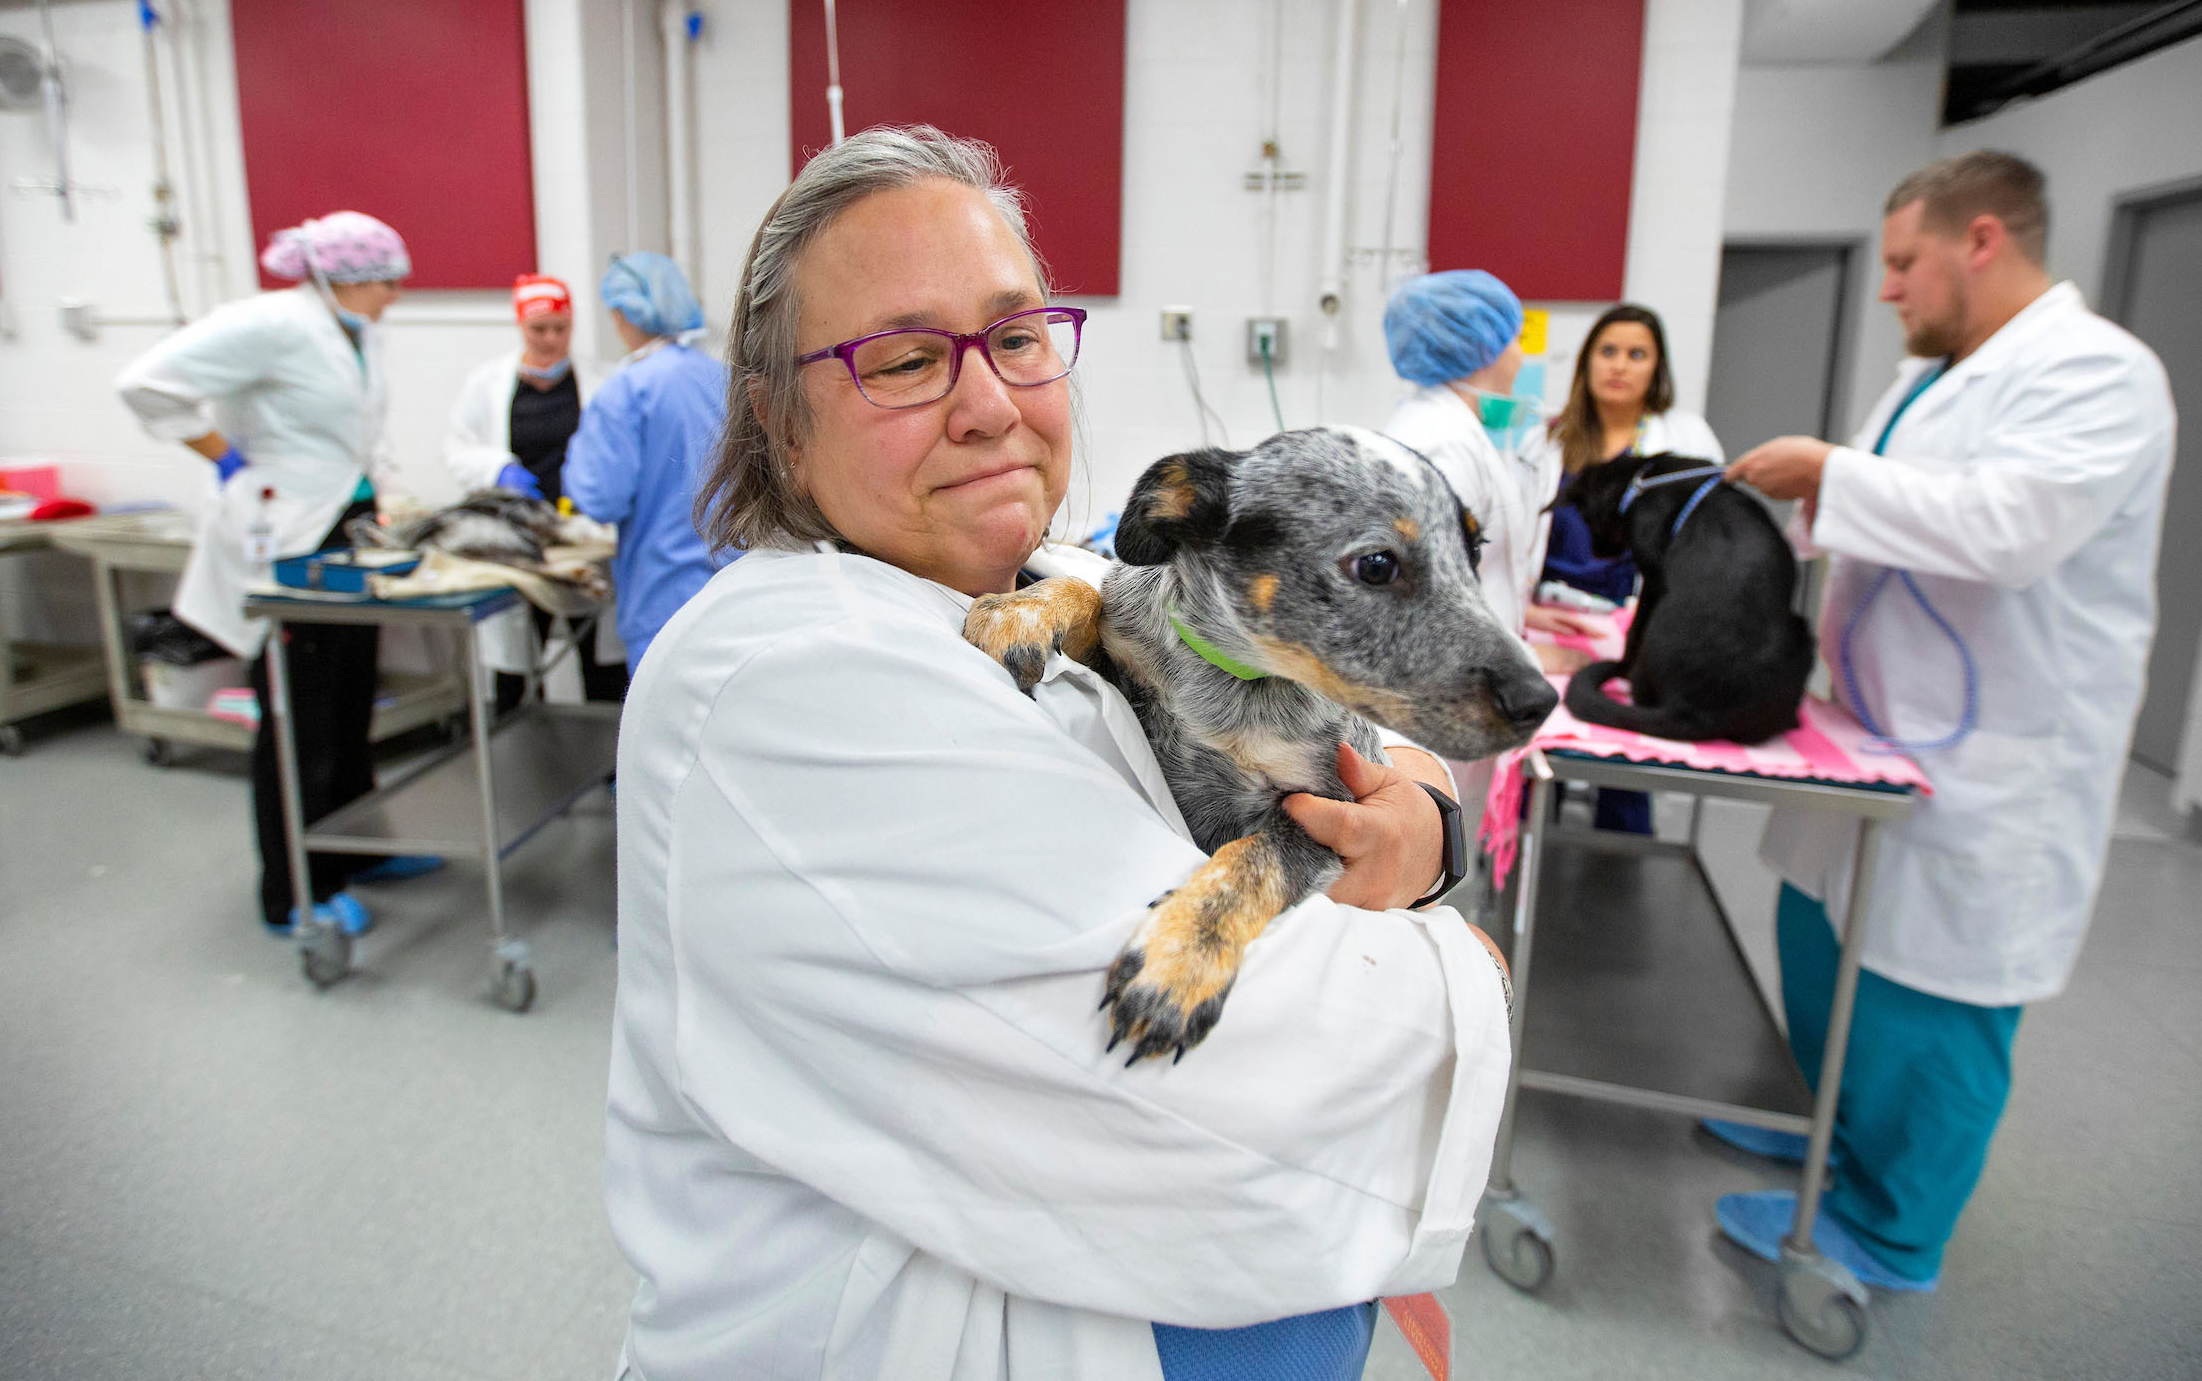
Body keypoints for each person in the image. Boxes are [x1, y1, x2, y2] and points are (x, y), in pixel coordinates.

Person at [605, 127, 1512, 1380]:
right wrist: (1459, 958)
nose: (990, 405)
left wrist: (1432, 828)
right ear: (779, 424)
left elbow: (1366, 746)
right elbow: (1245, 1076)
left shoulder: (1068, 582)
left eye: (1018, 337)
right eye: (907, 359)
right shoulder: (785, 681)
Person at [1716, 151, 2174, 1292]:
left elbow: (2011, 530)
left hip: (1997, 757)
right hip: (1876, 726)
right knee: (1823, 942)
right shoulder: (1936, 374)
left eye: (1905, 262)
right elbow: (1891, 510)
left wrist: (1829, 469)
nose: (1890, 290)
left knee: (1933, 993)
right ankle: (1827, 1134)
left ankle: (1889, 1225)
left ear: (1982, 239)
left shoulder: (2098, 371)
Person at [116, 210, 415, 936]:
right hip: (284, 543)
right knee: (298, 717)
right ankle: (293, 890)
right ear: (347, 276)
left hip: (341, 533)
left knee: (348, 701)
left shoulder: (357, 331)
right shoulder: (272, 322)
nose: (397, 296)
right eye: (387, 281)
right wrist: (225, 457)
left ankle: (354, 850)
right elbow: (146, 383)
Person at [1379, 268, 1558, 836]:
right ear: (1481, 345)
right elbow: (1428, 591)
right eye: (1513, 337)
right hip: (1442, 694)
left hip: (1456, 688)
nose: (1520, 353)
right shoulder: (1445, 442)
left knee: (1440, 849)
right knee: (1427, 854)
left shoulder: (1453, 427)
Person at [1533, 303, 1722, 833]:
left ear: (1656, 369)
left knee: (1624, 749)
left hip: (1632, 619)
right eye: (1607, 351)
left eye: (1636, 354)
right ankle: (1525, 849)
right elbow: (1518, 534)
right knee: (1540, 749)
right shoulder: (1550, 439)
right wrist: (1525, 605)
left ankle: (1620, 849)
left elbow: (1701, 538)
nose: (1619, 365)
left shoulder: (1685, 439)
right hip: (1552, 620)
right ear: (1587, 363)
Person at [444, 273, 627, 710]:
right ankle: (517, 762)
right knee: (516, 663)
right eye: (538, 329)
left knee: (600, 662)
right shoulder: (487, 383)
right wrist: (498, 467)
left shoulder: (601, 382)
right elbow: (456, 447)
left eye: (560, 328)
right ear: (520, 326)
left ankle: (609, 766)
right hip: (518, 539)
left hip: (582, 536)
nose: (551, 339)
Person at [560, 253, 733, 675]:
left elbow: (600, 498)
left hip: (664, 596)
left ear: (620, 315)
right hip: (736, 588)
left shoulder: (626, 392)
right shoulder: (725, 380)